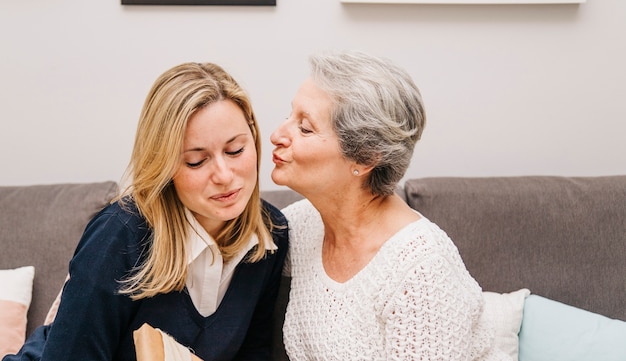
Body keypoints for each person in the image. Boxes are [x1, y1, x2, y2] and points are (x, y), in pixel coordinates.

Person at [4, 62, 288, 361]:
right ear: (164, 166)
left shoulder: (271, 234)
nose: (224, 175)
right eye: (195, 161)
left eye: (235, 151)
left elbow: (254, 352)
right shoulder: (120, 234)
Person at [270, 51, 509, 360]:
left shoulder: (421, 269)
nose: (277, 135)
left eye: (305, 128)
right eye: (289, 116)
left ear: (366, 157)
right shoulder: (302, 225)